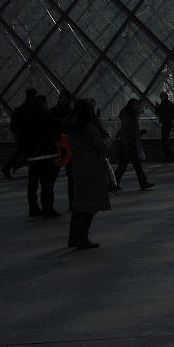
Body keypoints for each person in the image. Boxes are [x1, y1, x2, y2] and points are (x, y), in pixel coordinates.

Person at [65, 99, 112, 249]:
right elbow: (100, 147)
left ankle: (73, 238)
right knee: (90, 204)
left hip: (78, 166)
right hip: (92, 167)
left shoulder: (72, 129)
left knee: (79, 203)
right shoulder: (90, 128)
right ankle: (82, 238)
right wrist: (109, 144)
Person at [20, 93, 61, 217]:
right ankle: (48, 208)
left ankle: (33, 207)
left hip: (32, 155)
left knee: (32, 183)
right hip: (46, 154)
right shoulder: (47, 117)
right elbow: (58, 131)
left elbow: (22, 134)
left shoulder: (28, 117)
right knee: (46, 183)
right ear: (43, 103)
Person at [114, 98, 154, 191]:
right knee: (129, 165)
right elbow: (125, 131)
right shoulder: (129, 116)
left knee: (129, 165)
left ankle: (114, 183)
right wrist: (126, 143)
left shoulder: (129, 116)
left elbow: (128, 131)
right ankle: (143, 183)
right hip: (129, 144)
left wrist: (139, 133)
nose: (137, 106)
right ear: (131, 106)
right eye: (135, 105)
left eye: (137, 104)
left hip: (130, 143)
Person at [2, 88, 36, 178]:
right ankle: (11, 167)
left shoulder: (23, 107)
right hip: (27, 135)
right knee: (24, 152)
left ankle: (10, 167)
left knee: (22, 152)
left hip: (22, 134)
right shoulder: (29, 107)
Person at [156, 91, 174, 163]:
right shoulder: (168, 104)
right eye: (161, 96)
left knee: (164, 141)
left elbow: (159, 113)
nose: (162, 98)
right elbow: (173, 114)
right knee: (164, 140)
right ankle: (169, 157)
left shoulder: (165, 104)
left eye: (162, 96)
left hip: (166, 124)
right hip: (166, 123)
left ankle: (169, 157)